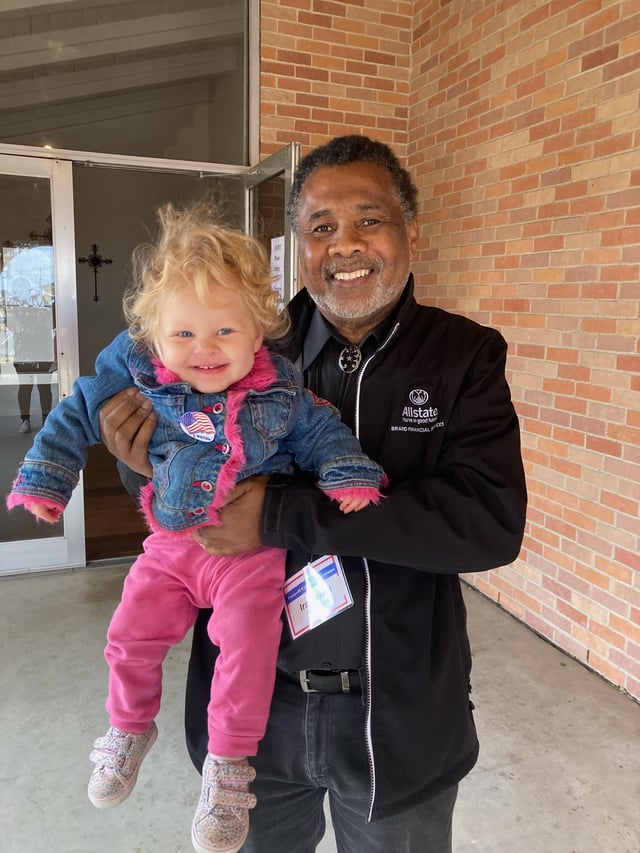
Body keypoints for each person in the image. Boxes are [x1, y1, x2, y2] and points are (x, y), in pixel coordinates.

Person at [99, 135, 528, 852]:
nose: (345, 245)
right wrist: (136, 459)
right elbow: (179, 479)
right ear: (294, 247)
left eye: (369, 219)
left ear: (411, 229)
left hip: (400, 712)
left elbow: (488, 523)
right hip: (256, 712)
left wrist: (278, 514)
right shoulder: (241, 339)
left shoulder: (463, 355)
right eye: (320, 227)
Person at [6, 201, 386, 853]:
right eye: (183, 335)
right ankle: (129, 728)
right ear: (153, 337)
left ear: (259, 332)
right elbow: (72, 416)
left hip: (249, 555)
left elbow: (324, 431)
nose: (203, 351)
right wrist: (48, 476)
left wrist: (349, 474)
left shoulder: (282, 392)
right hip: (172, 545)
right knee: (129, 635)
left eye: (224, 332)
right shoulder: (140, 379)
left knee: (246, 650)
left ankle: (229, 769)